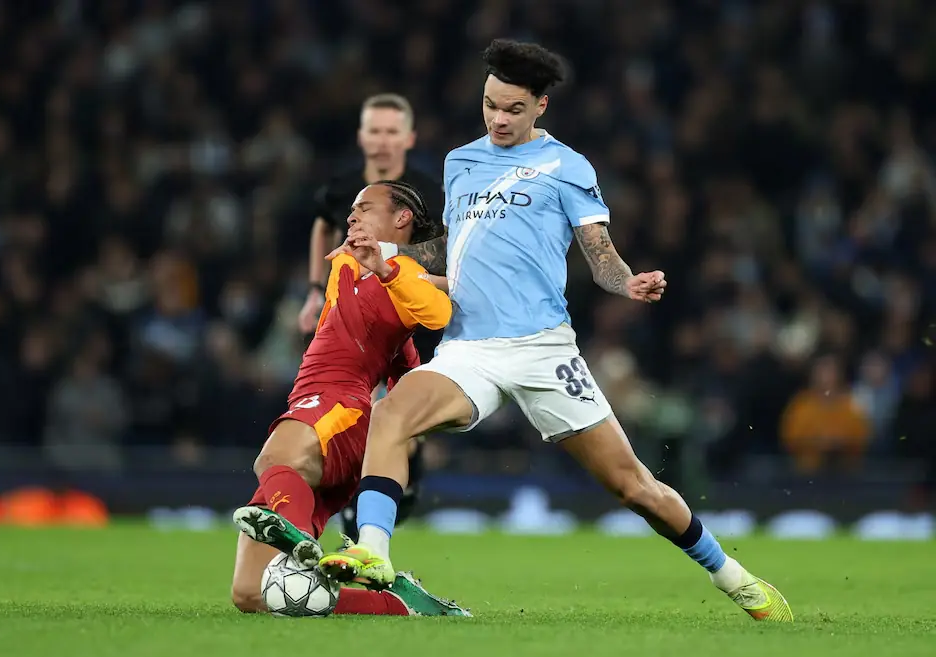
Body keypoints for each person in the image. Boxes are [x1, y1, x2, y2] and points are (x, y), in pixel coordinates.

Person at [319, 39, 793, 623]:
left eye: (513, 109)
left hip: (543, 349)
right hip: (470, 347)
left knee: (633, 488)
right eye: (490, 104)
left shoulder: (568, 168)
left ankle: (737, 579)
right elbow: (455, 246)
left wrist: (629, 284)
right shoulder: (459, 161)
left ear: (541, 106)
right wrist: (388, 248)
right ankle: (372, 552)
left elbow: (600, 257)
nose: (498, 118)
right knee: (391, 414)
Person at [230, 180, 468, 617]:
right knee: (251, 594)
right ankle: (398, 605)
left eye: (365, 207)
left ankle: (298, 538)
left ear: (401, 218)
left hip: (340, 406)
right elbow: (403, 357)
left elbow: (439, 314)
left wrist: (386, 269)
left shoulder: (406, 273)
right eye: (352, 210)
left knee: (271, 459)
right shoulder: (344, 263)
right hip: (313, 412)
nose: (352, 215)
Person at [298, 93, 442, 541]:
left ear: (408, 138)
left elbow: (445, 245)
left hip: (408, 306)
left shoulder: (425, 191)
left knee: (403, 411)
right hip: (357, 308)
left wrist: (397, 262)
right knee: (358, 403)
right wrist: (313, 291)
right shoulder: (346, 189)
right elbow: (322, 224)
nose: (382, 141)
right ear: (362, 137)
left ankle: (397, 478)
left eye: (390, 132)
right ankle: (357, 493)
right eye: (374, 131)